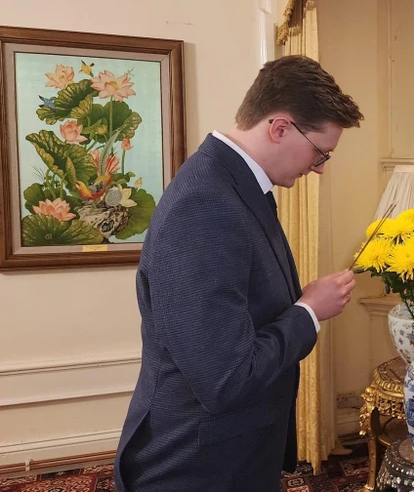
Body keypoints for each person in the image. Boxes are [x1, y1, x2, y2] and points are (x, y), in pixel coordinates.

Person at [114, 55, 364, 491]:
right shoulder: (205, 204)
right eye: (320, 152)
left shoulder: (232, 183)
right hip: (196, 465)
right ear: (280, 128)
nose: (320, 167)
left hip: (230, 452)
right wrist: (308, 312)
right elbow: (227, 379)